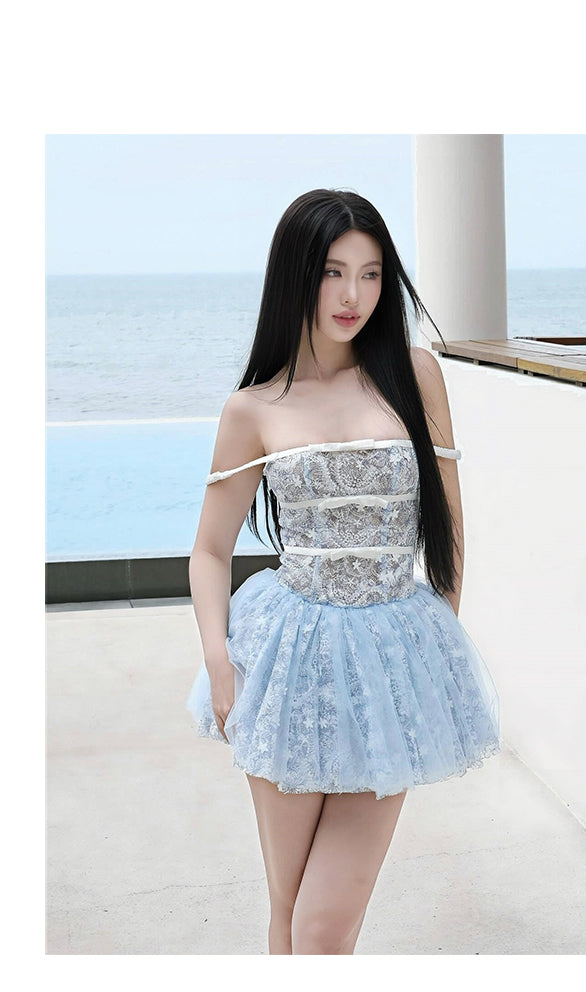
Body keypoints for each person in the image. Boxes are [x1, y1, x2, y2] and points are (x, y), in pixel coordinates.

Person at [186, 188, 500, 955]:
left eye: (370, 273)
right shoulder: (253, 408)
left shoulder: (415, 375)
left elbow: (451, 525)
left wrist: (437, 643)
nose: (353, 294)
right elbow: (210, 550)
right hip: (285, 662)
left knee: (325, 926)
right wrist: (220, 663)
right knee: (288, 912)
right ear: (295, 276)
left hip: (390, 660)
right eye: (333, 272)